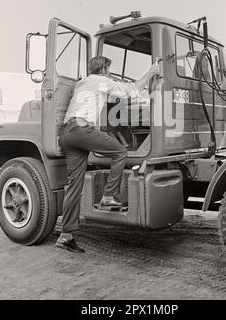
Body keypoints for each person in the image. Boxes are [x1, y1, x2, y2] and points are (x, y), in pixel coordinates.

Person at [55, 56, 160, 253]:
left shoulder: (82, 83)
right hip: (81, 130)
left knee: (74, 186)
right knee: (120, 151)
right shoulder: (102, 81)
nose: (110, 73)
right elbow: (131, 90)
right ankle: (109, 196)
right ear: (103, 69)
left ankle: (65, 235)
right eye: (109, 69)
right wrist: (152, 72)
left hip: (67, 133)